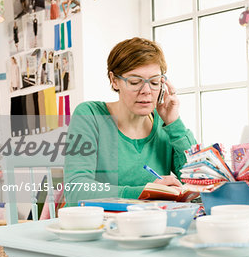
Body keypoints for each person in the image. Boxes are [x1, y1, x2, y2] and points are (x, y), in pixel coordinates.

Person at [64, 37, 197, 206]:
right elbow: (76, 190)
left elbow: (199, 178)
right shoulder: (90, 115)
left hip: (148, 226)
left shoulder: (164, 122)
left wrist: (174, 124)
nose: (147, 91)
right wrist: (143, 193)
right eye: (135, 82)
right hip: (95, 226)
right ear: (114, 80)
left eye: (155, 82)